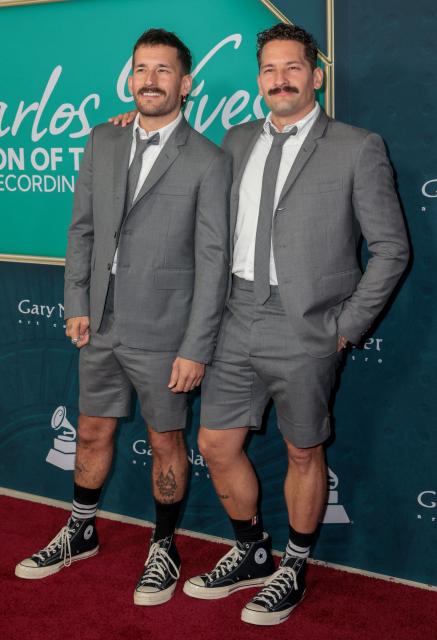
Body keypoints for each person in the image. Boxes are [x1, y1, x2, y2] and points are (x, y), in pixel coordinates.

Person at [108, 22, 409, 625]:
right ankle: (251, 550)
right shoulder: (236, 140)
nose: (280, 79)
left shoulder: (357, 146)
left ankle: (294, 566)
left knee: (303, 451)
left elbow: (392, 249)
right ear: (259, 80)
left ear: (315, 76)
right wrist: (127, 132)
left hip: (308, 327)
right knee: (216, 444)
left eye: (292, 67)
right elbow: (179, 165)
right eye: (269, 69)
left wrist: (344, 327)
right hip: (234, 314)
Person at [15, 28, 231, 608]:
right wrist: (77, 302)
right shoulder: (101, 141)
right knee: (91, 429)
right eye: (141, 69)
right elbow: (81, 229)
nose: (150, 80)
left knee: (167, 441)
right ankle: (80, 530)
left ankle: (164, 544)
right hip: (101, 324)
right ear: (129, 77)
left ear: (186, 83)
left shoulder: (209, 160)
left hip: (167, 331)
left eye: (163, 70)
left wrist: (196, 346)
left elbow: (214, 263)